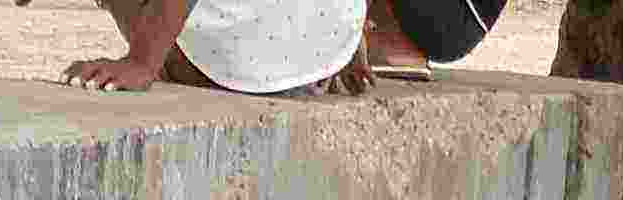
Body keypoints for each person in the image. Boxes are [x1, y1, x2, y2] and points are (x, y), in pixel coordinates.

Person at [70, 0, 504, 94]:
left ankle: (166, 55)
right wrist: (348, 44)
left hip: (239, 70)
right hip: (324, 60)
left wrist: (142, 61)